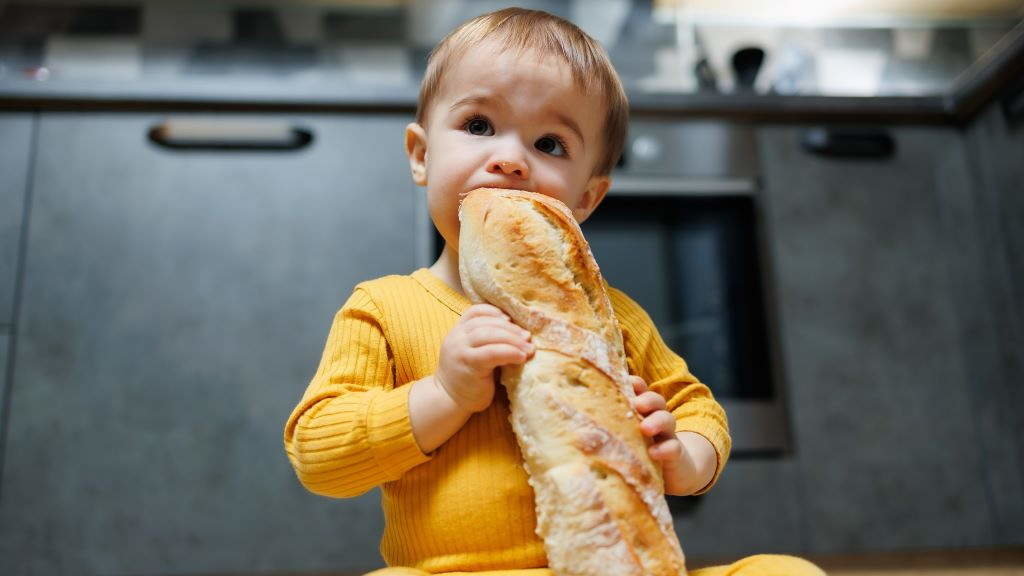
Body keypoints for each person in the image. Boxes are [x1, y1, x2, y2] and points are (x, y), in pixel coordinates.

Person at [284, 8, 824, 576]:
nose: (511, 160)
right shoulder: (385, 309)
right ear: (422, 155)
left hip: (619, 565)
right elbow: (318, 455)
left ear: (587, 198)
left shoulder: (615, 319)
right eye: (478, 126)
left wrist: (686, 457)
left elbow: (697, 407)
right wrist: (443, 394)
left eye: (549, 143)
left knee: (786, 571)